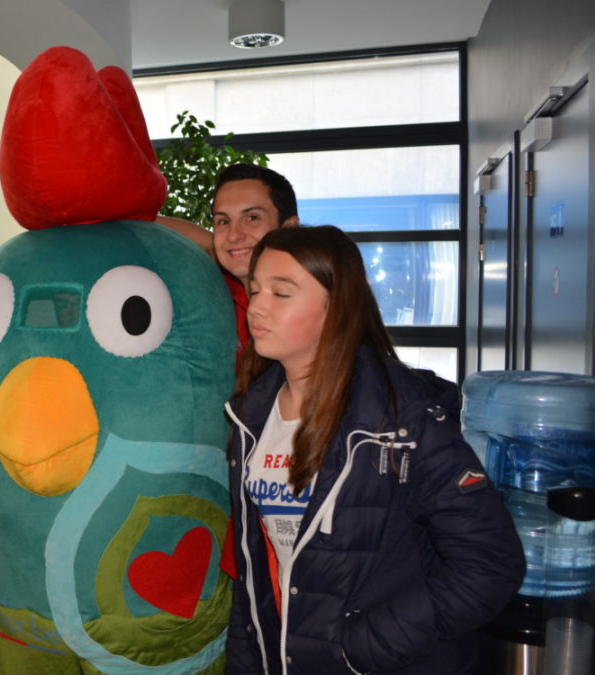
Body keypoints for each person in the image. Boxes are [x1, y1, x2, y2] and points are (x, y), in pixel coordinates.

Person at [222, 226, 525, 674]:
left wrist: (360, 647)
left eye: (282, 293)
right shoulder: (250, 416)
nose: (257, 307)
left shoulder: (403, 419)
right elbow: (257, 580)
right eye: (255, 290)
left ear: (336, 307)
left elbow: (490, 564)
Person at [159, 163, 299, 349]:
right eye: (224, 221)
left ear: (288, 228)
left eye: (252, 218)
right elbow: (206, 244)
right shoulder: (230, 285)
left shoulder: (311, 303)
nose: (233, 235)